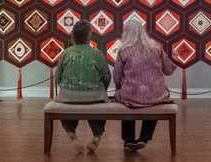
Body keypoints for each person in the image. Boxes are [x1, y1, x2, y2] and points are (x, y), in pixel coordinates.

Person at [107, 18, 177, 153]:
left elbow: (117, 75)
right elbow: (168, 70)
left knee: (126, 103)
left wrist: (118, 90)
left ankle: (128, 140)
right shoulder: (156, 47)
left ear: (126, 33)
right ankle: (144, 138)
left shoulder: (123, 50)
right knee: (154, 104)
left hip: (131, 94)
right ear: (143, 32)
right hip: (157, 94)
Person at [50, 23, 111, 154]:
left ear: (73, 35)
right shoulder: (97, 54)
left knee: (67, 103)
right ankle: (97, 135)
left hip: (68, 95)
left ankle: (70, 131)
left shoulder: (65, 54)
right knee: (99, 105)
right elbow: (106, 77)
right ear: (89, 36)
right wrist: (101, 90)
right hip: (94, 95)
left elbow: (58, 78)